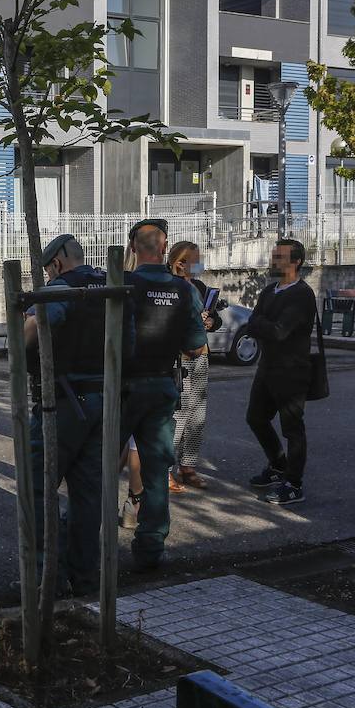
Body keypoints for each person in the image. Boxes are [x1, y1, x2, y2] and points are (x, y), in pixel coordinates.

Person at [21, 234, 109, 595]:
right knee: (88, 496)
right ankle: (86, 578)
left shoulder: (61, 288)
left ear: (56, 263)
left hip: (63, 401)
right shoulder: (109, 282)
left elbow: (30, 331)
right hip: (103, 399)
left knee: (39, 490)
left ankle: (48, 580)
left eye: (47, 268)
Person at [121, 219, 207, 571]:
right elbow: (197, 348)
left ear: (132, 249)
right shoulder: (184, 290)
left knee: (99, 464)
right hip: (161, 385)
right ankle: (151, 547)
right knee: (156, 470)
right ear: (164, 246)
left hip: (121, 386)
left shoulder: (122, 284)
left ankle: (82, 540)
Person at [245, 238, 318, 507]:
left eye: (280, 256)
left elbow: (279, 331)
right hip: (267, 368)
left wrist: (260, 323)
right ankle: (278, 464)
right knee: (255, 418)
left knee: (293, 429)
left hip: (292, 372)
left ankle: (294, 483)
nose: (273, 260)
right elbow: (254, 324)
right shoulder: (270, 291)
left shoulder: (301, 294)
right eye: (274, 255)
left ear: (296, 262)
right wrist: (263, 324)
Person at [168, 241, 222, 492]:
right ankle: (166, 470)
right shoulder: (169, 287)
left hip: (201, 355)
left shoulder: (198, 286)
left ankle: (188, 467)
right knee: (178, 414)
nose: (200, 264)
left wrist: (211, 320)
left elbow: (216, 317)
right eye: (195, 259)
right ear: (180, 263)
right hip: (179, 358)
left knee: (197, 415)